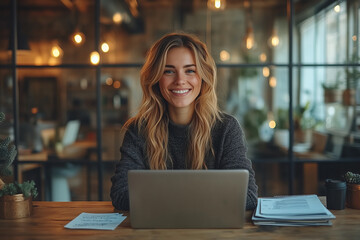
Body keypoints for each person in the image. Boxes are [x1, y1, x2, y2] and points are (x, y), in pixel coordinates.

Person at [110, 32, 258, 210]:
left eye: (190, 70)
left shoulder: (226, 128)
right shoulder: (138, 130)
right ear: (156, 78)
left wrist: (161, 196)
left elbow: (247, 196)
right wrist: (206, 195)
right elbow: (120, 194)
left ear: (203, 76)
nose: (180, 80)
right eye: (169, 71)